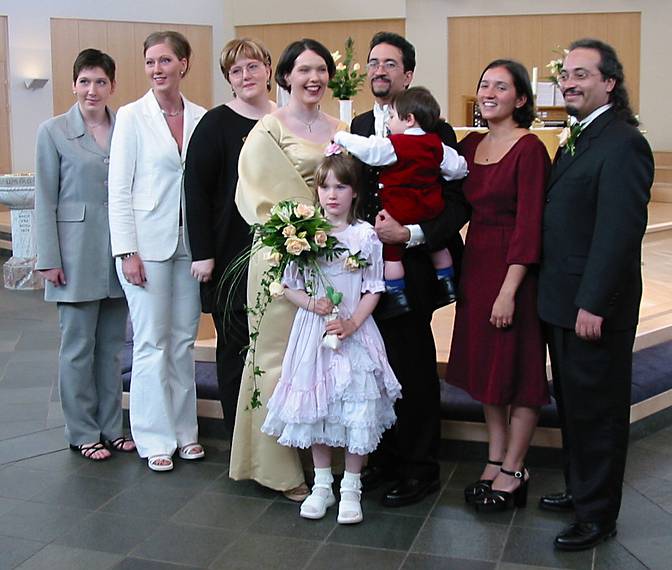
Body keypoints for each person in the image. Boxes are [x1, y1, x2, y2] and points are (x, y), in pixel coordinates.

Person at [537, 38, 653, 550]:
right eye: (566, 74)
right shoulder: (578, 136)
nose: (569, 82)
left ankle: (598, 515)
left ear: (610, 82)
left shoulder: (624, 142)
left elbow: (618, 234)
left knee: (599, 411)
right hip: (562, 299)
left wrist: (593, 302)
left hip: (590, 306)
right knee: (574, 404)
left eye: (582, 74)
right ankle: (581, 489)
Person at [350, 31, 469, 507]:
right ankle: (383, 459)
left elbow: (457, 202)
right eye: (373, 62)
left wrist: (412, 234)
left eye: (390, 63)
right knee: (372, 367)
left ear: (408, 74)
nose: (379, 70)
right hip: (364, 270)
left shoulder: (433, 129)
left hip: (412, 266)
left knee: (412, 367)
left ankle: (420, 467)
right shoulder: (359, 123)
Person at [230, 38, 346, 499]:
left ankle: (327, 462)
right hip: (283, 254)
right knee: (276, 358)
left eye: (320, 69)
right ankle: (276, 467)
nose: (313, 78)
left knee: (327, 357)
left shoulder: (342, 129)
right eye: (303, 70)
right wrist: (310, 230)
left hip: (333, 260)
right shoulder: (267, 130)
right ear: (286, 77)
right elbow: (262, 195)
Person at [261, 153, 401, 524]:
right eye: (325, 187)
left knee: (356, 409)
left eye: (341, 186)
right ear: (316, 191)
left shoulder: (365, 235)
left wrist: (353, 322)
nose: (332, 194)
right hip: (314, 331)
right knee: (317, 409)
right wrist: (312, 303)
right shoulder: (303, 236)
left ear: (355, 192)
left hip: (354, 331)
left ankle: (351, 487)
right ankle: (323, 484)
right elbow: (288, 286)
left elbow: (374, 287)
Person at [445, 60, 550, 512]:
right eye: (484, 84)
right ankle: (495, 456)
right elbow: (449, 206)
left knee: (520, 371)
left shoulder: (529, 149)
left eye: (500, 87)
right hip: (478, 268)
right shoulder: (470, 146)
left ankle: (515, 467)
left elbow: (530, 227)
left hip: (515, 274)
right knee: (489, 369)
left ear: (520, 99)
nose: (488, 92)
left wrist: (509, 290)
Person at [108, 31, 206, 472]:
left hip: (190, 244)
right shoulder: (131, 116)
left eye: (165, 60)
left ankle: (186, 432)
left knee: (183, 342)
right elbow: (119, 189)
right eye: (150, 62)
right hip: (146, 246)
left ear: (184, 64)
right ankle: (154, 438)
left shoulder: (203, 117)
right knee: (150, 343)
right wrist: (126, 249)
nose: (157, 69)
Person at [34, 48, 134, 461]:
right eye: (84, 81)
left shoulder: (125, 127)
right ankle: (81, 431)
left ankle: (112, 427)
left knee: (112, 348)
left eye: (100, 82)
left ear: (112, 86)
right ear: (74, 84)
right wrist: (48, 257)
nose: (92, 90)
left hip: (118, 252)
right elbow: (45, 198)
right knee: (77, 347)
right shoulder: (53, 131)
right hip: (74, 255)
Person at [184, 38, 275, 437]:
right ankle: (242, 441)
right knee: (237, 351)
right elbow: (196, 194)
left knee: (277, 352)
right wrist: (202, 254)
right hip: (229, 253)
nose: (245, 76)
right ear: (229, 80)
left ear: (269, 70)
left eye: (252, 66)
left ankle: (278, 443)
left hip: (282, 254)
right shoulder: (215, 124)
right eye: (236, 71)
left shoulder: (284, 119)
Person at [333, 86, 468, 317]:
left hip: (400, 210)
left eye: (393, 117)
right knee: (438, 247)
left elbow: (369, 151)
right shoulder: (436, 144)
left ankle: (397, 295)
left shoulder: (395, 144)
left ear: (409, 119)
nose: (389, 123)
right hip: (430, 207)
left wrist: (341, 137)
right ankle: (447, 282)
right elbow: (458, 168)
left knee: (391, 255)